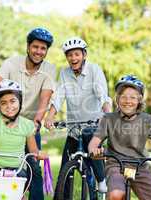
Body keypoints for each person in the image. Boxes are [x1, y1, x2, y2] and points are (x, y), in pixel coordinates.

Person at [0, 27, 56, 200]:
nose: (39, 51)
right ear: (28, 47)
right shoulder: (11, 63)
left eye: (43, 48)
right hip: (6, 122)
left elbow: (45, 98)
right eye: (35, 47)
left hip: (28, 125)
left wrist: (37, 121)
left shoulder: (49, 69)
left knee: (34, 169)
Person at [44, 37, 112, 198]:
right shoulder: (65, 73)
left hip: (94, 124)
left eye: (76, 54)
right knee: (65, 168)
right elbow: (59, 96)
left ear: (84, 54)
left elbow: (102, 95)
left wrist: (107, 115)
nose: (73, 58)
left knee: (92, 149)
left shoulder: (94, 70)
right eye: (69, 55)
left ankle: (101, 180)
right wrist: (50, 116)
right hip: (74, 126)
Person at [88, 75, 151, 200]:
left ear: (139, 100)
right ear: (117, 99)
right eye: (124, 97)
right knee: (116, 195)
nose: (128, 101)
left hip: (140, 166)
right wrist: (94, 150)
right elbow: (93, 143)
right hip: (116, 165)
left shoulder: (148, 120)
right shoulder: (108, 119)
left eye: (133, 97)